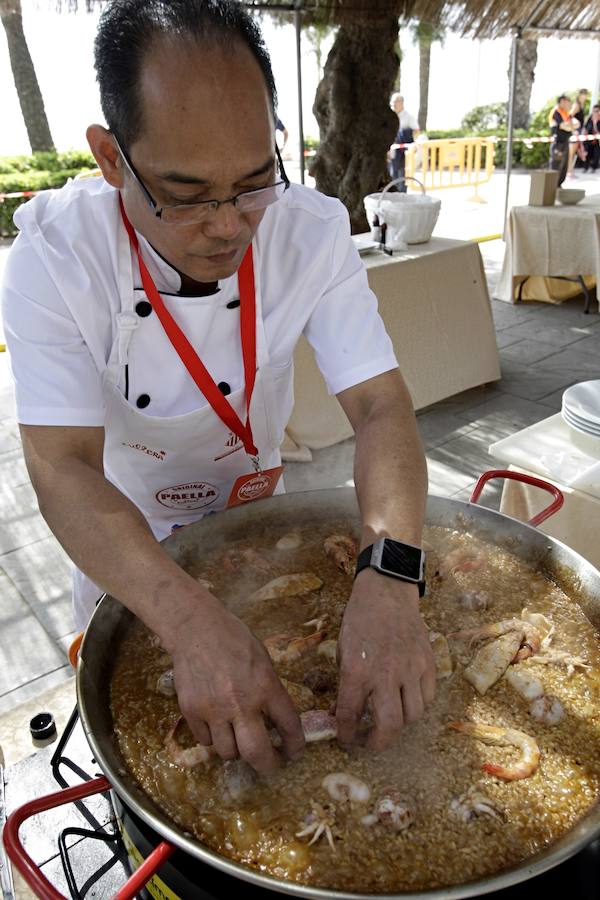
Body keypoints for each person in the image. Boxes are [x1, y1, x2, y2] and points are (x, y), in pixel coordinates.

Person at [2, 0, 435, 776]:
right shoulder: (56, 259)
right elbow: (61, 466)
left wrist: (393, 572)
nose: (231, 224)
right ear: (111, 158)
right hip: (126, 549)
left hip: (253, 527)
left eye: (253, 180)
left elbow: (378, 404)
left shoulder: (310, 231)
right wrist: (186, 618)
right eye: (188, 193)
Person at [388, 93, 420, 193]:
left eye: (395, 102)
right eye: (392, 102)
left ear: (401, 103)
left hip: (403, 154)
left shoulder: (409, 117)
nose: (393, 104)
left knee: (402, 178)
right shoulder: (389, 117)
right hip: (392, 152)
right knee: (393, 176)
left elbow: (416, 131)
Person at [549, 94, 573, 187]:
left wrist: (570, 126)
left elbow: (575, 124)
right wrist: (569, 126)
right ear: (562, 101)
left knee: (563, 167)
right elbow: (563, 126)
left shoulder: (565, 113)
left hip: (565, 142)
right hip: (558, 143)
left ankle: (558, 185)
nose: (569, 104)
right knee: (556, 166)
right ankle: (552, 186)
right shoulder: (556, 112)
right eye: (567, 102)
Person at [568, 89, 589, 176]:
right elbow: (569, 116)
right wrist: (573, 130)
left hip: (579, 132)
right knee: (571, 153)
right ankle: (569, 172)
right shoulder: (576, 105)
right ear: (580, 95)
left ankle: (570, 171)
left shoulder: (581, 105)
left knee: (574, 153)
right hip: (575, 133)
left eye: (586, 94)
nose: (585, 96)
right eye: (583, 94)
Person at [584, 104, 600, 172]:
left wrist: (596, 123)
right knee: (588, 154)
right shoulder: (589, 118)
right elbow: (586, 128)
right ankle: (586, 167)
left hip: (597, 140)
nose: (595, 112)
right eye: (594, 111)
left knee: (596, 154)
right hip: (589, 139)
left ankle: (594, 168)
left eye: (597, 111)